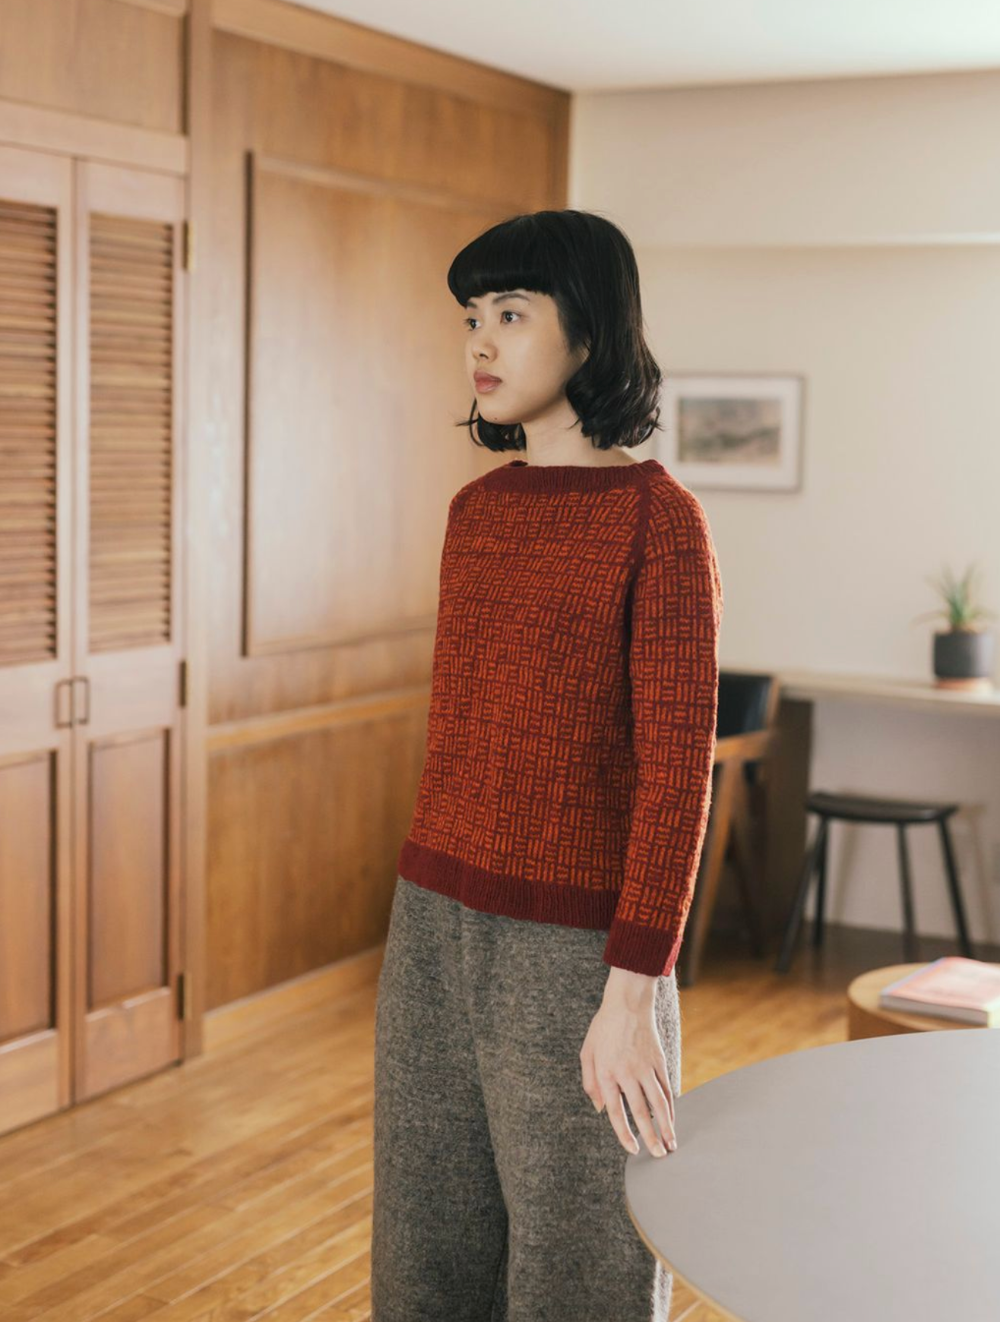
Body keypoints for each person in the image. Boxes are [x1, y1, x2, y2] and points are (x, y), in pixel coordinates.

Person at [371, 209, 723, 1321]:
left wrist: (631, 993)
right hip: (431, 918)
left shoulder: (658, 524)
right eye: (472, 315)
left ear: (588, 336)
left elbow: (676, 778)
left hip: (578, 954)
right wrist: (420, 935)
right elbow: (465, 735)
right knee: (425, 1247)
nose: (480, 340)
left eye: (512, 313)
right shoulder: (474, 514)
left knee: (579, 1265)